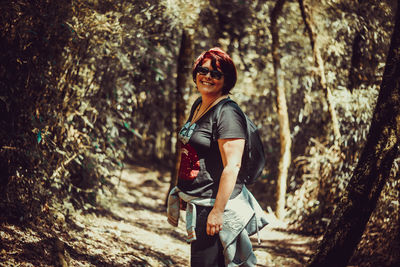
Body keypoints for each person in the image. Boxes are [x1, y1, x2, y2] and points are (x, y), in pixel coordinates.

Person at [167, 47, 268, 267]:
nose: (208, 76)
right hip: (199, 202)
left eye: (216, 73)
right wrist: (183, 191)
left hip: (214, 204)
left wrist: (217, 212)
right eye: (203, 70)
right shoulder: (199, 104)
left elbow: (233, 165)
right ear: (195, 73)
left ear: (227, 80)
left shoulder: (227, 113)